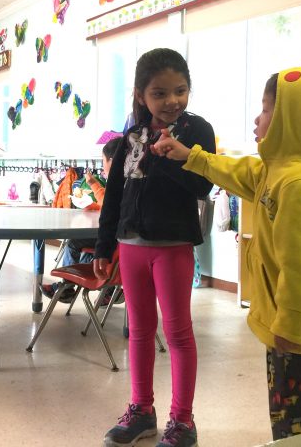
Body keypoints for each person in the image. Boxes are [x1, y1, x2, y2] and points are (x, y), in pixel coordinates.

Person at [152, 63, 301, 441]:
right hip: (296, 331)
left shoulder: (299, 186)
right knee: (294, 420)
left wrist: (290, 322)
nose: (257, 119)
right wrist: (189, 155)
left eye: (266, 109)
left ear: (294, 117)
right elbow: (239, 172)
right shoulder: (279, 172)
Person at [94, 48, 215, 447]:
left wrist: (166, 157)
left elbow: (202, 187)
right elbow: (114, 194)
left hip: (173, 244)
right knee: (140, 331)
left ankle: (183, 421)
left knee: (178, 332)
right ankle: (141, 411)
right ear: (141, 95)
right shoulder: (130, 137)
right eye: (159, 93)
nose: (172, 101)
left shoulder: (197, 131)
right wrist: (102, 246)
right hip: (131, 244)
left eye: (180, 90)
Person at [41, 136, 122, 304]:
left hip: (112, 242)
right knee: (85, 247)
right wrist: (95, 206)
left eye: (103, 161)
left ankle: (67, 288)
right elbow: (113, 206)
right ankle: (113, 288)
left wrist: (92, 183)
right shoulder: (134, 180)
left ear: (112, 161)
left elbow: (109, 202)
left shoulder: (118, 182)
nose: (103, 166)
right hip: (123, 246)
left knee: (74, 242)